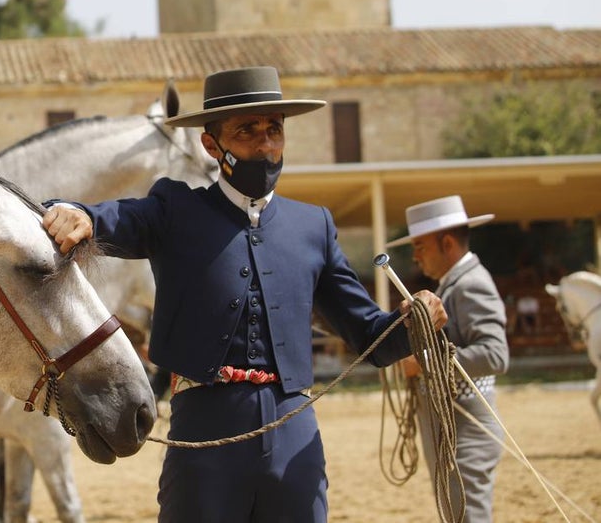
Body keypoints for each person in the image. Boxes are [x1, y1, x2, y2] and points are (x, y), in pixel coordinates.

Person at [42, 65, 447, 522]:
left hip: (295, 435)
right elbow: (118, 219)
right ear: (211, 144)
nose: (265, 144)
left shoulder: (314, 226)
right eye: (247, 130)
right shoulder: (176, 210)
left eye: (274, 129)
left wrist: (413, 323)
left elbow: (369, 336)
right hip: (204, 434)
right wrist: (80, 215)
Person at [388, 195, 509, 523]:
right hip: (453, 428)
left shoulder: (470, 285)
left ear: (447, 243)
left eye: (420, 247)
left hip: (466, 430)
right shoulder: (455, 285)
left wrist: (423, 362)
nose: (415, 257)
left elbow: (495, 355)